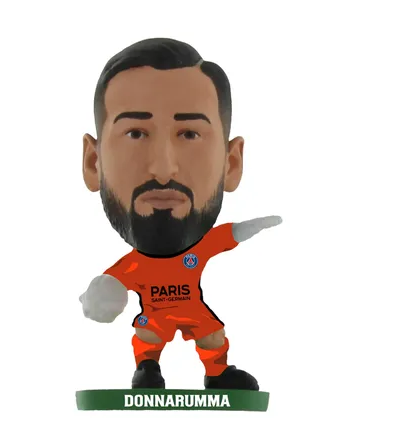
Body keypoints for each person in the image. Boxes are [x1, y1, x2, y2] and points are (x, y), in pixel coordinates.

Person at [80, 37, 282, 389]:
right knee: (149, 337)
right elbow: (113, 282)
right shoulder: (132, 266)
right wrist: (101, 296)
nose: (162, 170)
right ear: (93, 162)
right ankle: (147, 369)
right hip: (155, 316)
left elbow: (230, 235)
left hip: (192, 311)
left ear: (231, 164)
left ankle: (217, 373)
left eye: (189, 134)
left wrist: (258, 225)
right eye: (135, 133)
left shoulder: (198, 251)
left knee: (212, 336)